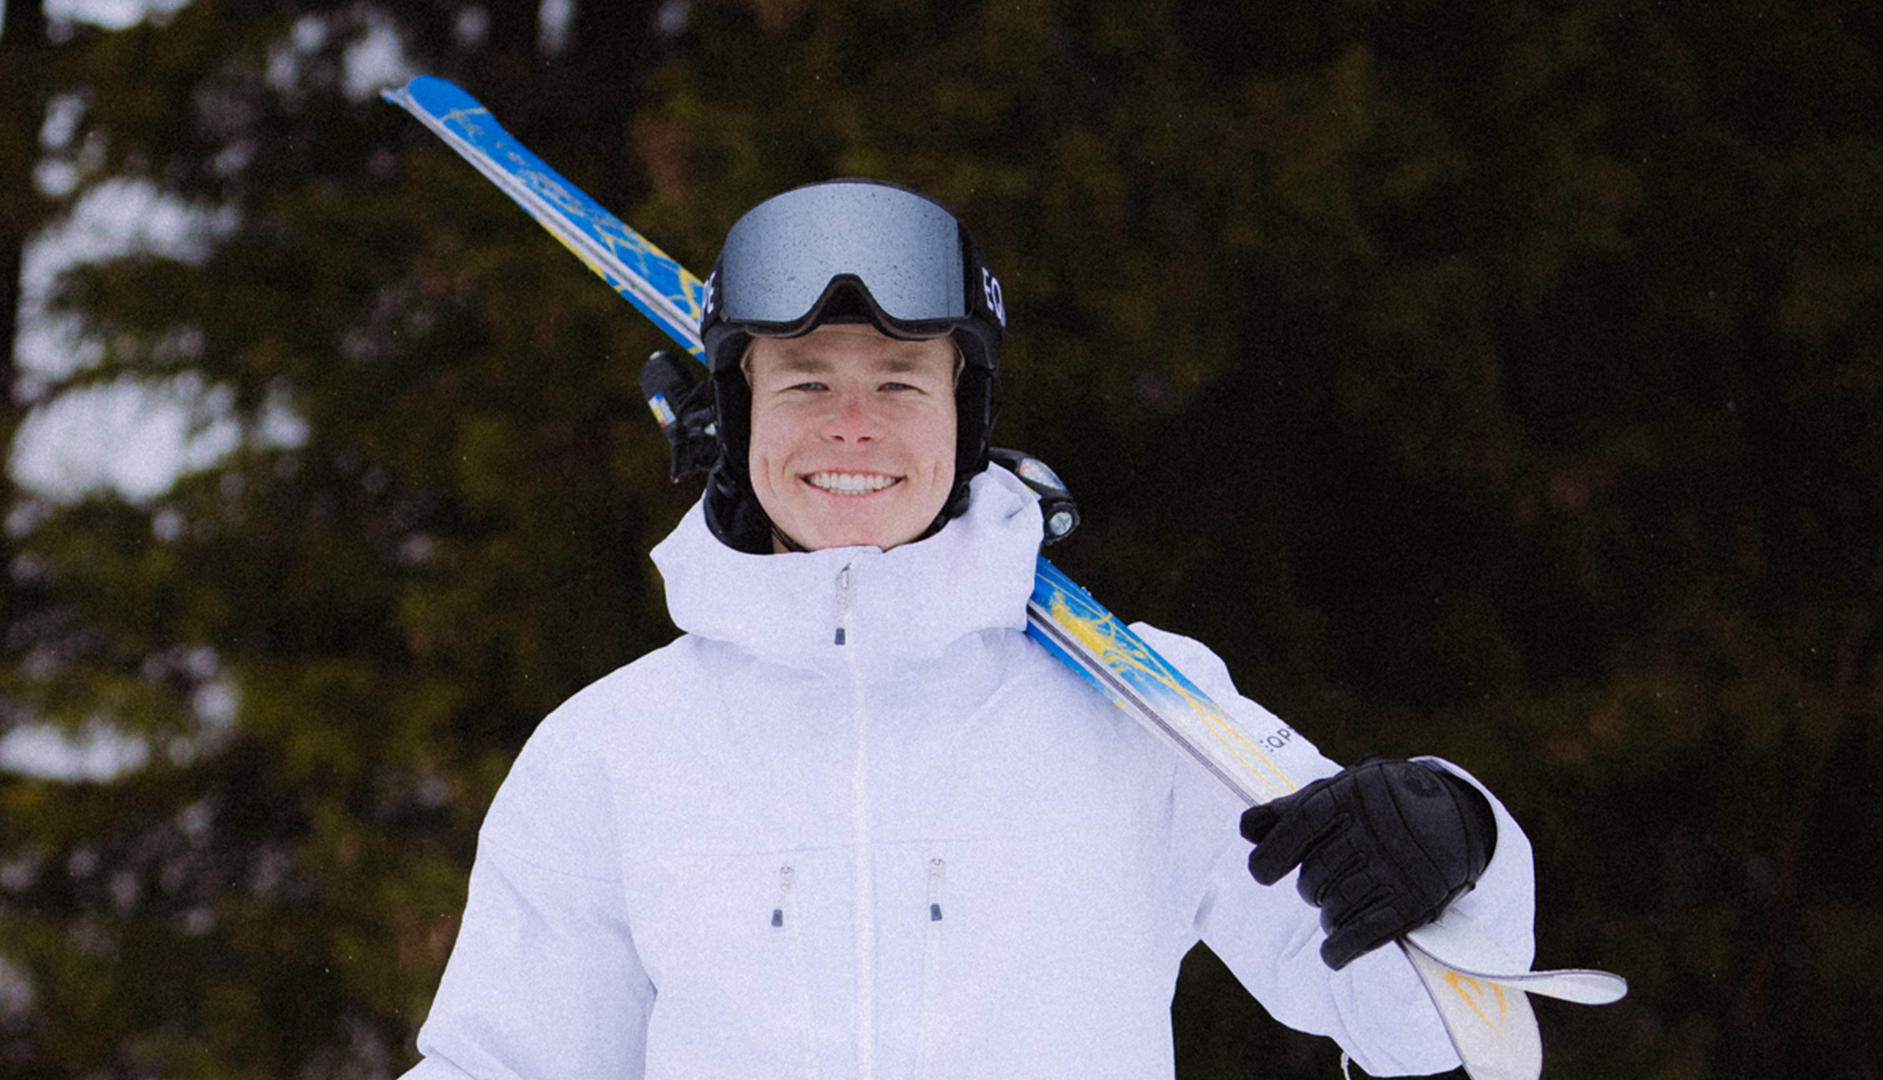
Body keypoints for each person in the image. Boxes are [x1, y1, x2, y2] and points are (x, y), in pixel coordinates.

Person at [402, 180, 1534, 1079]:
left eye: (900, 384)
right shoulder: (611, 752)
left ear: (966, 415)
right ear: (736, 419)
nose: (852, 430)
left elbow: (1422, 1025)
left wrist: (1460, 844)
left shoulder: (1144, 708)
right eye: (802, 384)